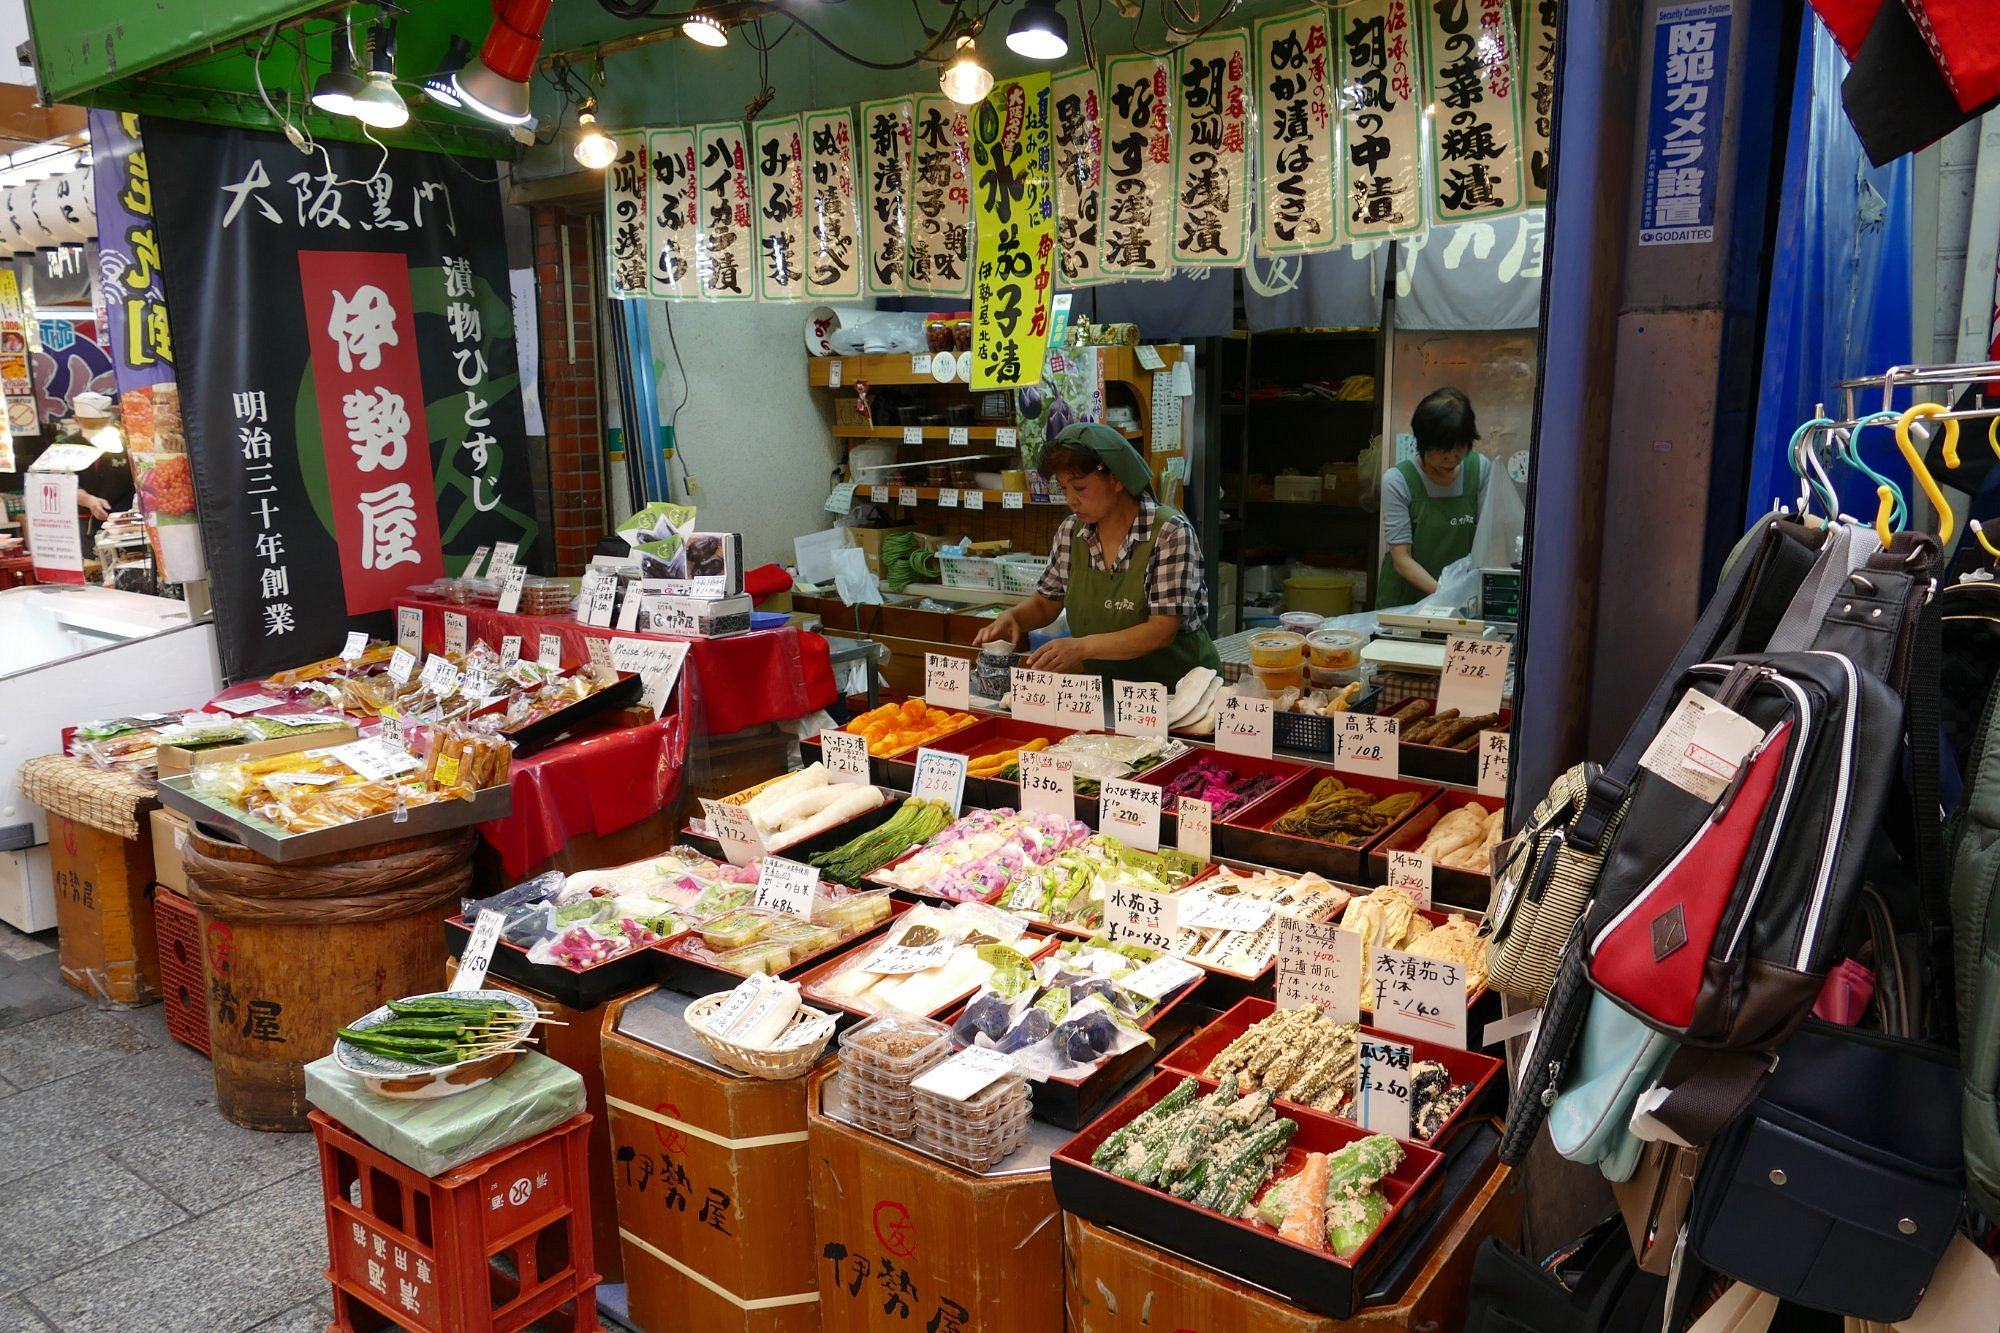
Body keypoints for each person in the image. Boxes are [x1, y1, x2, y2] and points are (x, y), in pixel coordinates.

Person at [973, 422, 1222, 686]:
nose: (1071, 500)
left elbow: (1161, 630)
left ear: (1116, 479)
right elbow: (1046, 603)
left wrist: (1082, 647)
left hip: (1180, 693)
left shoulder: (1169, 532)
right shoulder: (1072, 531)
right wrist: (1013, 617)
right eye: (1064, 488)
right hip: (1107, 689)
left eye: (1079, 488)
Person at [1377, 386, 1489, 608]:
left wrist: (1463, 597)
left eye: (1459, 448)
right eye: (1441, 450)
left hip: (1465, 600)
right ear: (1422, 444)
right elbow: (1401, 559)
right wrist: (1448, 596)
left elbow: (1488, 540)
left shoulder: (1480, 470)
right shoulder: (1398, 480)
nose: (1451, 458)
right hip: (1406, 602)